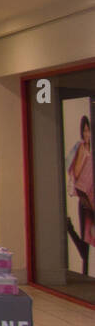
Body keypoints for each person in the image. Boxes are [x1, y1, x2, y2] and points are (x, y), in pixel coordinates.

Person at [67, 115, 95, 271]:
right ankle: (85, 272)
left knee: (90, 239)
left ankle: (86, 271)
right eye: (84, 131)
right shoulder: (81, 149)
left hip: (92, 199)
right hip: (85, 200)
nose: (87, 134)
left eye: (88, 130)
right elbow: (76, 174)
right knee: (86, 240)